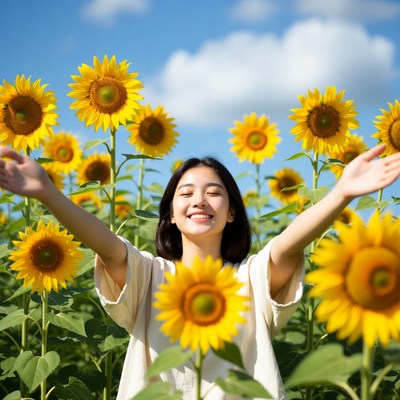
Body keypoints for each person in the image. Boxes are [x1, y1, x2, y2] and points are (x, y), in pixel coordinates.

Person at [0, 144, 400, 400]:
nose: (199, 199)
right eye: (186, 192)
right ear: (171, 215)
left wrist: (342, 193)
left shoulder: (248, 280)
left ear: (231, 214)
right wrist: (49, 194)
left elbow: (288, 244)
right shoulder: (150, 276)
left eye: (214, 191)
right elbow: (104, 242)